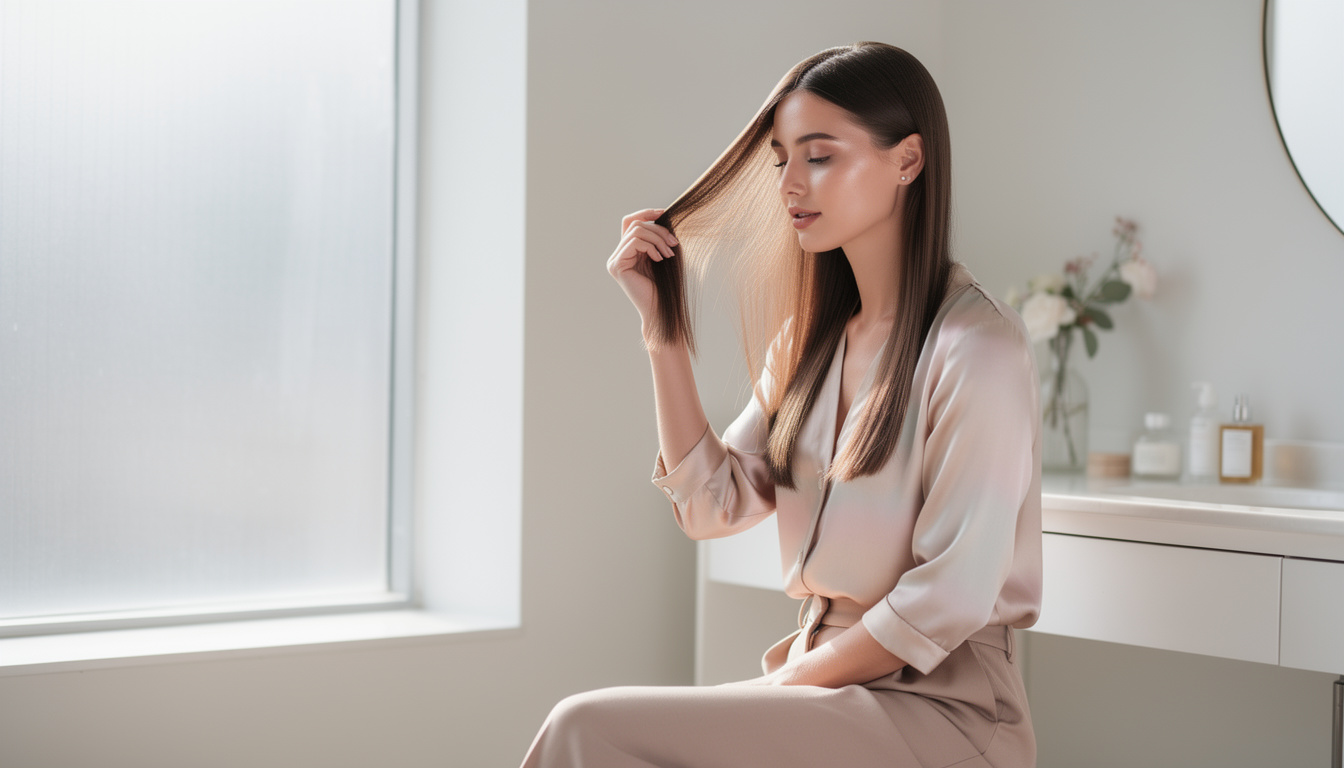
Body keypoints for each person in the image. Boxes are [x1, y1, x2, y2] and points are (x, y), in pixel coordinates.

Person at [521, 41, 1042, 768]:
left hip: (942, 712)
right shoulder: (809, 345)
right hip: (825, 690)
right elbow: (709, 506)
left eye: (819, 156)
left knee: (586, 728)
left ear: (908, 161)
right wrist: (663, 332)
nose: (790, 184)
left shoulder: (977, 347)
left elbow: (947, 597)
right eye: (780, 159)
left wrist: (785, 684)